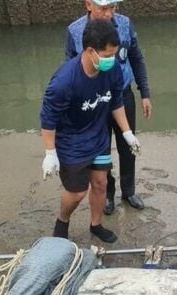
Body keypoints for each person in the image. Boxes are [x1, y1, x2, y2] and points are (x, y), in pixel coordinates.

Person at [41, 19, 141, 244]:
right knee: (76, 193)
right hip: (72, 142)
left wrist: (127, 133)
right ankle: (62, 221)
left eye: (114, 54)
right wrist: (50, 153)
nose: (111, 60)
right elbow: (48, 120)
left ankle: (96, 224)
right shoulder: (63, 82)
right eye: (107, 55)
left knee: (100, 183)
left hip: (99, 137)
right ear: (90, 51)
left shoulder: (112, 69)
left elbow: (115, 101)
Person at [66, 0, 152, 215]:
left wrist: (145, 93)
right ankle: (108, 193)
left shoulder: (124, 24)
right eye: (103, 8)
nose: (108, 13)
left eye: (113, 7)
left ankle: (129, 190)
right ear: (88, 4)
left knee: (128, 144)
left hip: (122, 95)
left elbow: (136, 58)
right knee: (101, 149)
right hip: (94, 101)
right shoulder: (75, 31)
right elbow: (69, 66)